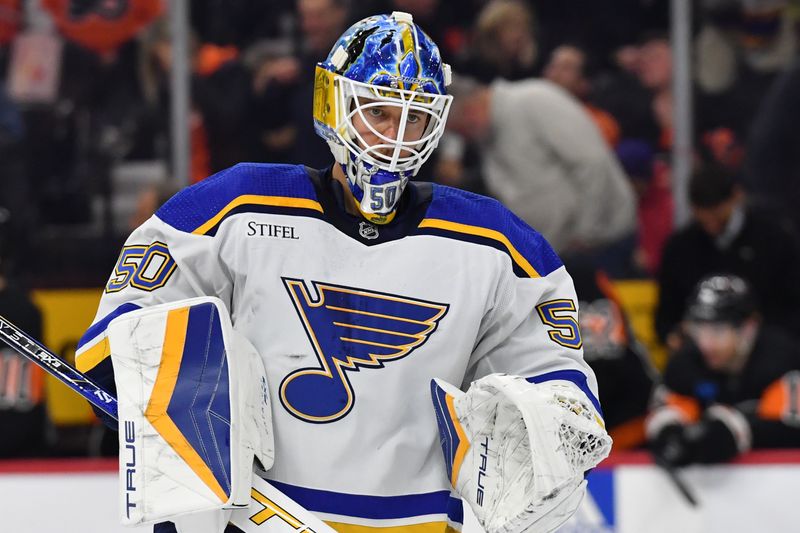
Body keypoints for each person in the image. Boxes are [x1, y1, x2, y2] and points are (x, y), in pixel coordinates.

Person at [75, 12, 610, 533]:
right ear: (334, 104)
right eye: (378, 112)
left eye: (414, 118)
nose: (395, 136)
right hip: (257, 517)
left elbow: (556, 380)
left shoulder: (499, 245)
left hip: (416, 523)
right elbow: (128, 326)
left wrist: (552, 428)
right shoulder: (235, 208)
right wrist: (140, 380)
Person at [445, 74, 637, 262]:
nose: (465, 139)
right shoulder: (487, 134)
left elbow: (592, 163)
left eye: (460, 130)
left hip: (600, 248)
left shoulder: (533, 100)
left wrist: (586, 235)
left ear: (470, 111)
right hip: (557, 255)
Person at [647, 274, 800, 467]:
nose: (705, 343)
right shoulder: (685, 362)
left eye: (717, 330)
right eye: (698, 329)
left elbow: (789, 428)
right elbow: (668, 409)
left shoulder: (782, 360)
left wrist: (737, 430)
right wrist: (668, 431)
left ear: (748, 329)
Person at [655, 164, 800, 347]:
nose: (710, 223)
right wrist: (673, 335)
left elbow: (792, 306)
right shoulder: (680, 247)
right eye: (702, 214)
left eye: (716, 212)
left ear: (736, 197)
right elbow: (666, 318)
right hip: (701, 350)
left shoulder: (774, 239)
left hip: (765, 349)